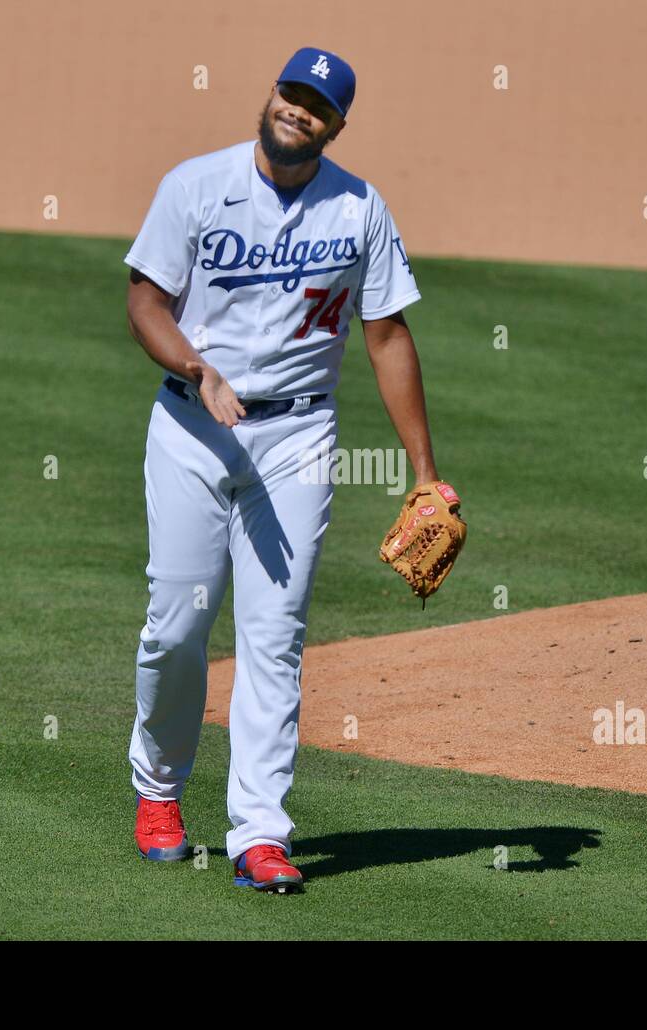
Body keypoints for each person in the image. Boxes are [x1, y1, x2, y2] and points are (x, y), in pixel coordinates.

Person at [123, 46, 441, 893]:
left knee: (276, 638)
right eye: (291, 93)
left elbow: (387, 336)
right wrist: (198, 367)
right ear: (271, 96)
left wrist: (423, 472)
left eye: (318, 105)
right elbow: (145, 301)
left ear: (337, 125)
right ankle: (158, 791)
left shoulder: (359, 209)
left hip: (297, 441)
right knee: (176, 629)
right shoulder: (194, 185)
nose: (299, 110)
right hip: (193, 430)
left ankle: (259, 833)